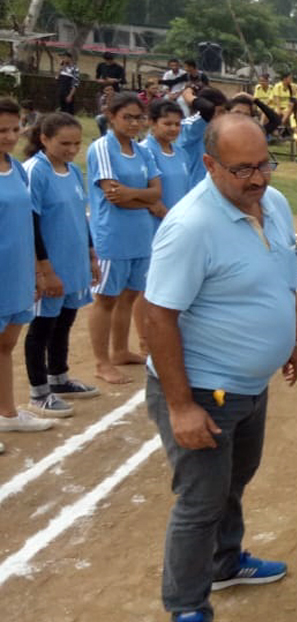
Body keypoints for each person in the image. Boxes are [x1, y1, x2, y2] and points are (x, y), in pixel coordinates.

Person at [142, 114, 297, 622]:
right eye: (243, 170)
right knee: (200, 501)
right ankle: (187, 611)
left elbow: (284, 275)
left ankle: (227, 560)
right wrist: (183, 406)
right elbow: (157, 316)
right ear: (209, 165)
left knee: (236, 477)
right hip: (202, 391)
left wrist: (293, 335)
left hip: (249, 387)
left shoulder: (274, 204)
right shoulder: (190, 226)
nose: (258, 179)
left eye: (264, 164)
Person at [22, 112, 100, 418]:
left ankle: (59, 377)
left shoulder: (71, 170)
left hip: (73, 262)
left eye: (76, 144)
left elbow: (81, 215)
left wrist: (91, 253)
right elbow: (31, 221)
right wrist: (44, 270)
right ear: (44, 139)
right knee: (42, 326)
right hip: (51, 265)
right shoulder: (35, 172)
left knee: (64, 321)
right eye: (64, 143)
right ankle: (39, 391)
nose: (71, 149)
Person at [86, 92, 163, 386]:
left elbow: (157, 192)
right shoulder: (103, 148)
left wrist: (135, 195)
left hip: (140, 234)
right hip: (112, 235)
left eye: (138, 117)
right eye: (127, 117)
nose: (134, 123)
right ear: (112, 117)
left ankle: (120, 350)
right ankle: (101, 362)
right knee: (106, 298)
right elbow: (113, 196)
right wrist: (142, 198)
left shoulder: (142, 151)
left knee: (129, 295)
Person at [0, 97, 55, 442]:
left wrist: (35, 272)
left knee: (5, 344)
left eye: (14, 129)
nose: (8, 136)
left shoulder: (16, 167)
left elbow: (26, 225)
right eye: (0, 130)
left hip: (16, 273)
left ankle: (7, 412)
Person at [139, 99, 191, 230]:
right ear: (152, 122)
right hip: (156, 227)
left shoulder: (182, 154)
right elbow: (146, 197)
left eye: (177, 124)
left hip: (180, 226)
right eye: (167, 124)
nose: (173, 128)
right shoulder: (143, 151)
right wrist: (172, 221)